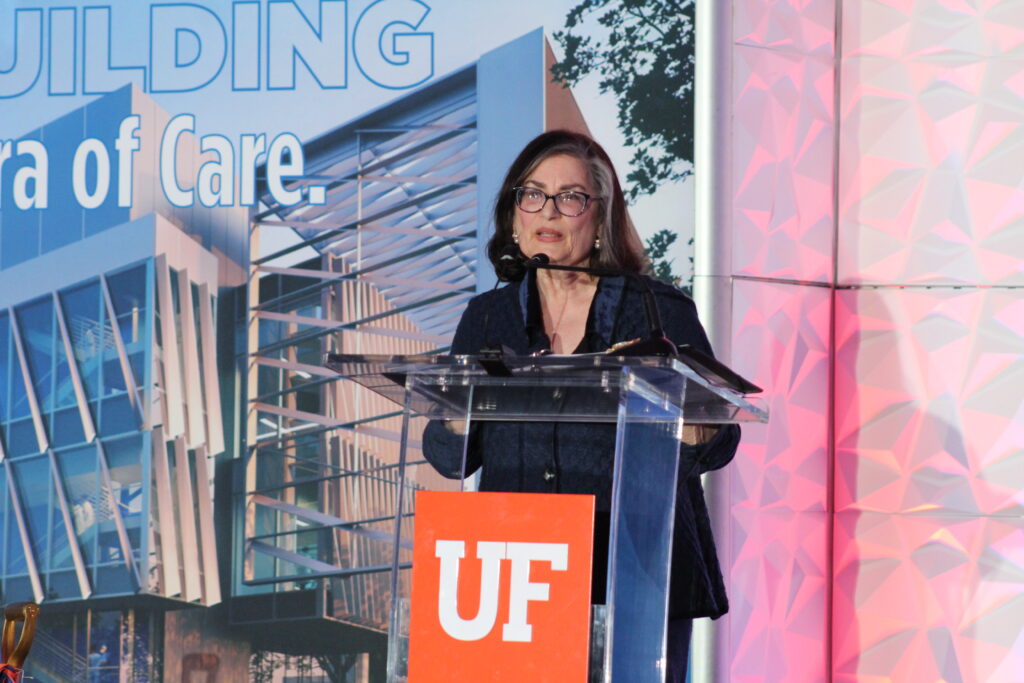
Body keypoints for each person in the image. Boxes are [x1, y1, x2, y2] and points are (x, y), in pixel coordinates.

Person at [421, 130, 739, 682]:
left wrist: (684, 412)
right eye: (532, 194)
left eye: (569, 197)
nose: (548, 211)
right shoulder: (488, 317)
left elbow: (719, 440)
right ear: (513, 216)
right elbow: (450, 457)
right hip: (515, 577)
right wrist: (458, 405)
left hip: (633, 572)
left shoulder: (655, 309)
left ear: (600, 219)